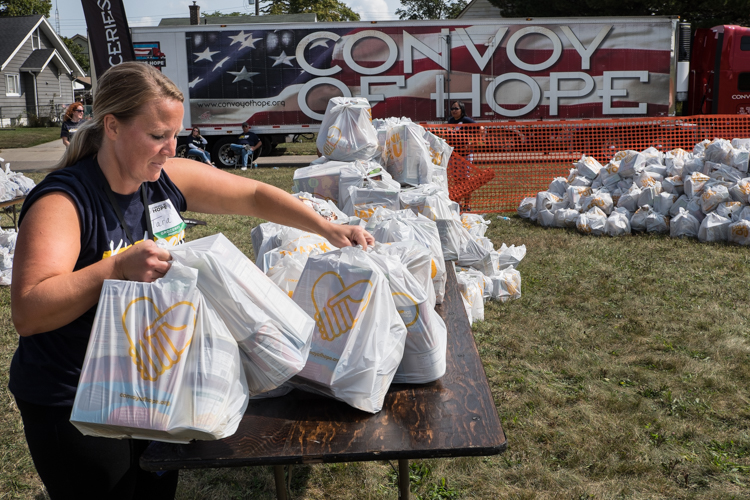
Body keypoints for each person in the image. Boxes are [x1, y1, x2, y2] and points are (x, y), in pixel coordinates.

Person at [8, 61, 374, 500]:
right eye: (157, 135)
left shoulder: (163, 181)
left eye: (174, 135)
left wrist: (327, 229)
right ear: (113, 127)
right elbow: (29, 310)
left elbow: (253, 195)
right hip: (71, 395)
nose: (170, 148)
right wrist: (116, 268)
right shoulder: (64, 200)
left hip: (153, 382)